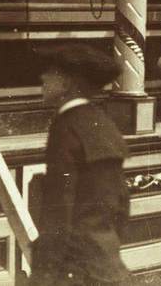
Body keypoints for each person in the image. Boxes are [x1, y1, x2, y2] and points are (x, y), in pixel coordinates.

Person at [30, 42, 130, 286]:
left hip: (74, 270)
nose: (43, 77)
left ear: (67, 83)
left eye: (51, 72)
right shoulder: (103, 123)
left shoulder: (65, 127)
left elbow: (59, 208)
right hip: (106, 262)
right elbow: (121, 204)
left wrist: (43, 276)